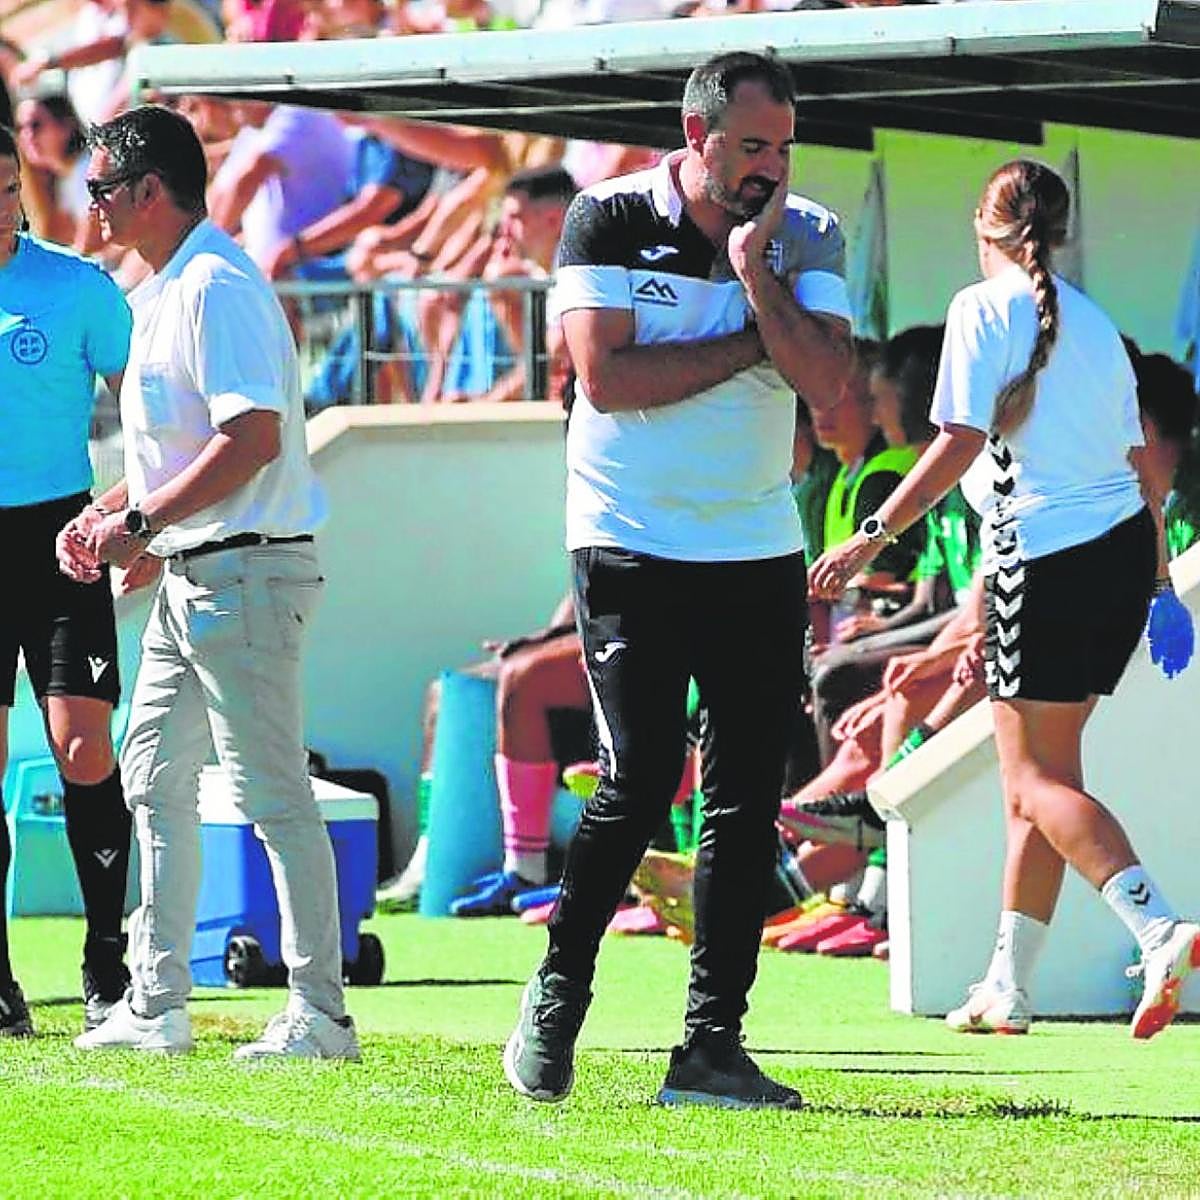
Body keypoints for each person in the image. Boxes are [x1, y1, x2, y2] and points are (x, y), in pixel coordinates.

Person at [503, 51, 851, 1110]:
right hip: (628, 542)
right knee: (641, 775)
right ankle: (559, 992)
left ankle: (709, 1048)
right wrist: (758, 339)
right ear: (694, 136)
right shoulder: (605, 219)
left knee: (746, 799)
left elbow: (832, 387)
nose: (771, 169)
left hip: (756, 547)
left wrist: (755, 274)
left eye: (784, 148)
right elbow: (606, 378)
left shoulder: (810, 234)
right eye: (753, 147)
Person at [811, 158, 1198, 1041]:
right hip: (1107, 564)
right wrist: (1155, 582)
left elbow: (956, 444)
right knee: (1040, 787)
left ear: (983, 225)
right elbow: (1140, 470)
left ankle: (1157, 925)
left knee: (1034, 780)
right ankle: (1005, 986)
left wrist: (873, 532)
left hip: (1047, 562)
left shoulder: (979, 309)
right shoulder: (1094, 324)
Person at [60, 104, 358, 1059]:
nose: (91, 204)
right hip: (197, 575)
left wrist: (139, 521)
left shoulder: (214, 286)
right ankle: (158, 1002)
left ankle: (320, 1013)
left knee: (272, 794)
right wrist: (113, 511)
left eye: (102, 187)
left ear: (148, 191)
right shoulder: (169, 286)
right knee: (151, 779)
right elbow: (184, 450)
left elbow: (252, 437)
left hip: (242, 574)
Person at [0, 123, 134, 1038]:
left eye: (7, 186)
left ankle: (105, 960)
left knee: (83, 750)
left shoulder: (76, 287)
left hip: (59, 538)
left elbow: (154, 409)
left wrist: (135, 519)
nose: (1, 205)